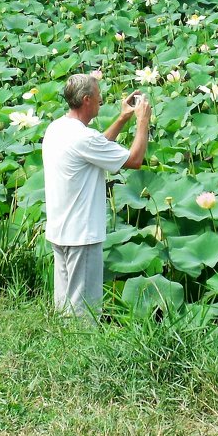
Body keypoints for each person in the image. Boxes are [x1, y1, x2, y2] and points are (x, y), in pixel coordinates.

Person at [42, 73, 151, 319]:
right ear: (87, 100)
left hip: (60, 232)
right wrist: (142, 122)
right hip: (82, 236)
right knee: (85, 313)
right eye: (99, 95)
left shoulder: (57, 128)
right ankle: (81, 355)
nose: (102, 99)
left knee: (65, 309)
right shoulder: (83, 138)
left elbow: (96, 147)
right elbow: (134, 160)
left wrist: (123, 118)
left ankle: (61, 353)